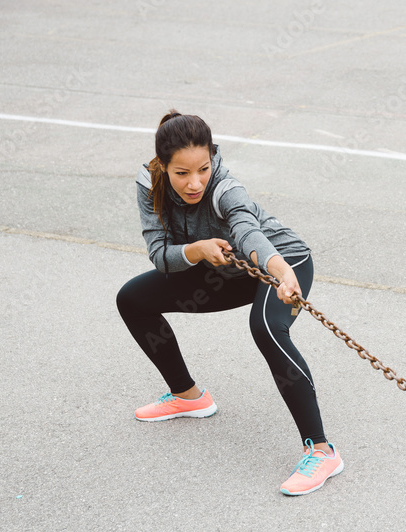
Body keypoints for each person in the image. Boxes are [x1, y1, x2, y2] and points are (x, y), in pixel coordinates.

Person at [116, 110, 342, 496]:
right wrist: (198, 249)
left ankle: (322, 451)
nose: (195, 182)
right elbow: (159, 253)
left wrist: (280, 269)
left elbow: (247, 231)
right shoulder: (147, 183)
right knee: (132, 298)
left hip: (283, 263)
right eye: (182, 173)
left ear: (212, 157)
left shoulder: (224, 187)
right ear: (162, 166)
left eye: (203, 168)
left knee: (266, 328)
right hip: (224, 269)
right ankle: (188, 397)